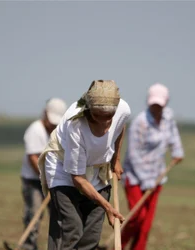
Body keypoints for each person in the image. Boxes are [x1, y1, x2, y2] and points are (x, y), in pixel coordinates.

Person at [37, 80, 130, 250]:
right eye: (97, 117)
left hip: (96, 169)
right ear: (89, 110)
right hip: (64, 170)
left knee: (91, 236)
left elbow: (120, 127)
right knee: (71, 229)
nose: (104, 124)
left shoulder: (122, 109)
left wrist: (115, 159)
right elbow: (77, 178)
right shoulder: (76, 125)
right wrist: (108, 207)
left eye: (109, 118)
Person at [120, 83, 184, 250]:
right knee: (137, 217)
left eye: (159, 105)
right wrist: (145, 179)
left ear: (165, 102)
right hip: (135, 177)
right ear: (149, 102)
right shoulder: (140, 123)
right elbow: (133, 155)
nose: (156, 108)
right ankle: (117, 246)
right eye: (153, 104)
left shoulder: (168, 118)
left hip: (157, 175)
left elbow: (173, 137)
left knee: (146, 224)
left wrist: (177, 151)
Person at [19, 97, 67, 250]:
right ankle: (28, 246)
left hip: (54, 181)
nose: (52, 124)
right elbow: (33, 158)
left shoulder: (60, 132)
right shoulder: (35, 130)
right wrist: (46, 180)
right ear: (45, 114)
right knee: (33, 213)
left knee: (58, 215)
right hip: (34, 181)